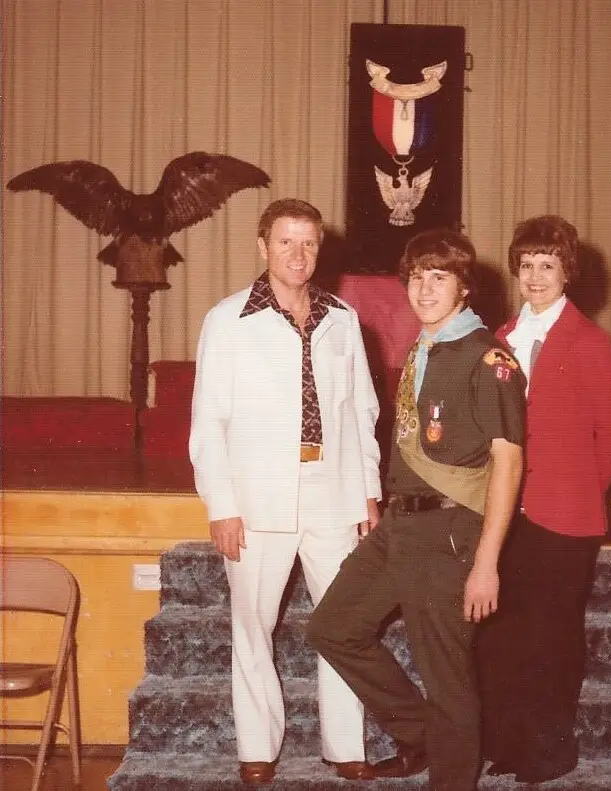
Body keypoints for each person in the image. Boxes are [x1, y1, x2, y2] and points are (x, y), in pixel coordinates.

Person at [307, 227, 526, 791]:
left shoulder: (488, 359)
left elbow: (507, 463)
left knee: (446, 677)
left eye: (440, 277)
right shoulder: (424, 346)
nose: (424, 289)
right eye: (416, 277)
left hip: (451, 531)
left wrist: (486, 562)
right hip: (401, 523)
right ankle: (425, 735)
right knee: (333, 628)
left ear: (463, 287)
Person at [189, 198, 381, 785]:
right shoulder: (228, 320)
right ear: (262, 246)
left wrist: (368, 491)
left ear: (321, 249)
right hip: (257, 498)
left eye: (308, 243)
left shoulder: (344, 318)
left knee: (342, 623)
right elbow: (208, 424)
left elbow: (363, 411)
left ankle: (345, 746)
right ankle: (257, 747)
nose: (298, 255)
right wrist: (222, 507)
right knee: (253, 625)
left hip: (333, 489)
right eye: (285, 242)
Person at [477, 215, 611, 783]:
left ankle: (548, 751)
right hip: (503, 511)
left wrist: (576, 492)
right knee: (500, 633)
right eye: (527, 265)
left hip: (564, 517)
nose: (536, 277)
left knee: (551, 637)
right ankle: (506, 743)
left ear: (567, 272)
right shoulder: (499, 340)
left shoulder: (590, 342)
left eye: (548, 265)